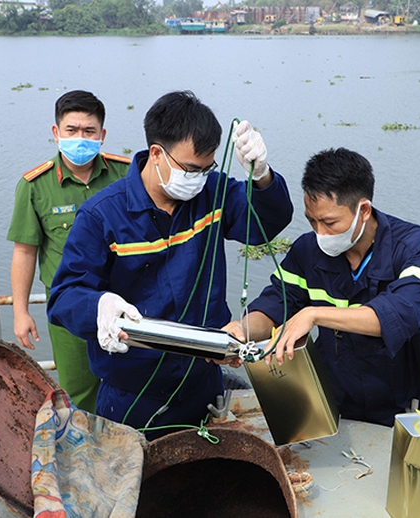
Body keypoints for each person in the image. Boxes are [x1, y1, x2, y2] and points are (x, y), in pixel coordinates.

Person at [47, 90, 293, 437]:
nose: (198, 178)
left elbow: (266, 224)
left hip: (203, 380)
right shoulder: (103, 216)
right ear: (157, 154)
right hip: (133, 395)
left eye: (207, 169)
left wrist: (263, 178)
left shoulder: (212, 194)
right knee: (137, 483)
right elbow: (64, 298)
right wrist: (98, 305)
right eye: (191, 169)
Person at [226, 147, 420, 427]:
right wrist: (240, 331)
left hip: (404, 404)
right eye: (312, 221)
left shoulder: (416, 245)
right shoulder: (306, 250)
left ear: (363, 210)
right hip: (335, 400)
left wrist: (313, 314)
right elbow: (274, 307)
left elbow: (398, 315)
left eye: (329, 222)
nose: (320, 233)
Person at [7, 90, 130, 413]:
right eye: (71, 130)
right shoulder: (35, 185)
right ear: (56, 133)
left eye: (89, 131)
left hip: (126, 299)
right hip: (69, 306)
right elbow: (25, 252)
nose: (80, 138)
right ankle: (90, 453)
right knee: (78, 388)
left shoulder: (128, 175)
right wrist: (21, 312)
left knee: (134, 378)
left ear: (102, 135)